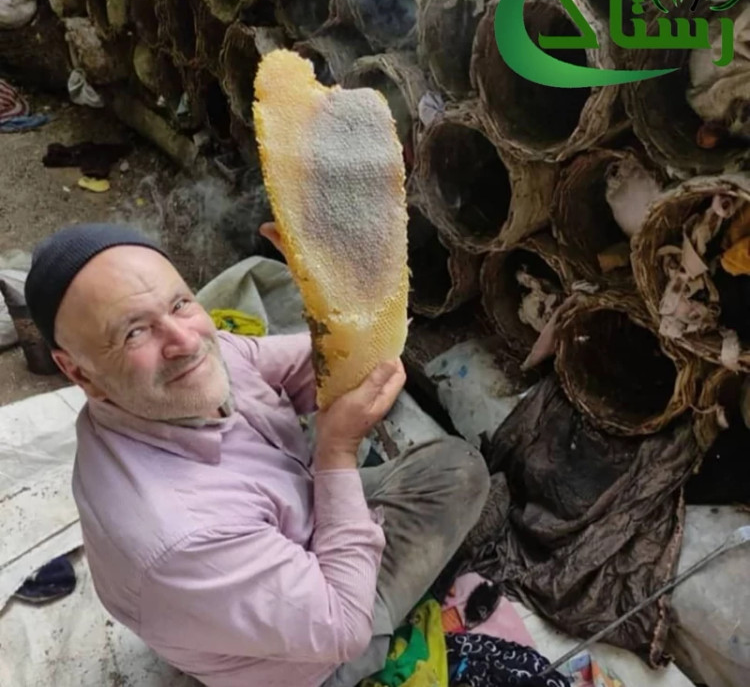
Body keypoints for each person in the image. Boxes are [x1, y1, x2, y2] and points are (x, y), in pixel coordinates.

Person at [24, 222, 490, 687]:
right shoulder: (178, 534)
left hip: (258, 551)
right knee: (460, 482)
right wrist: (336, 451)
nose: (186, 343)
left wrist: (339, 302)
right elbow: (344, 628)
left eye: (180, 303)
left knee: (452, 467)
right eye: (134, 333)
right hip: (311, 657)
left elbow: (321, 368)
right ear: (77, 372)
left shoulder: (192, 360)